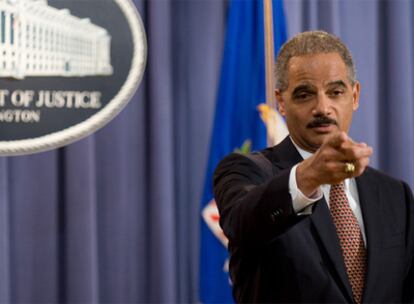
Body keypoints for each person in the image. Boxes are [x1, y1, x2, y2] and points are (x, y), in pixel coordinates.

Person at [213, 31, 414, 303]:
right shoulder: (245, 171)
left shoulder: (395, 195)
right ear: (281, 102)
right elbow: (241, 223)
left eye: (335, 92)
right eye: (305, 94)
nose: (323, 107)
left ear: (354, 96)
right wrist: (310, 175)